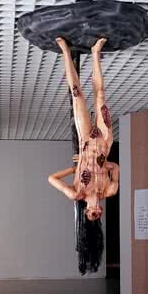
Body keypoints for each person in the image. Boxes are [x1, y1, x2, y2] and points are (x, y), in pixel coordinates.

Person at [48, 37, 120, 221]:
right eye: (99, 214)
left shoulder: (76, 193)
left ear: (87, 211)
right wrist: (106, 164)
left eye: (93, 214)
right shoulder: (109, 190)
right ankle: (95, 53)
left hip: (86, 141)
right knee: (101, 96)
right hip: (104, 141)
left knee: (76, 94)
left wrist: (75, 169)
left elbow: (52, 179)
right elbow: (115, 168)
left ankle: (66, 52)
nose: (97, 211)